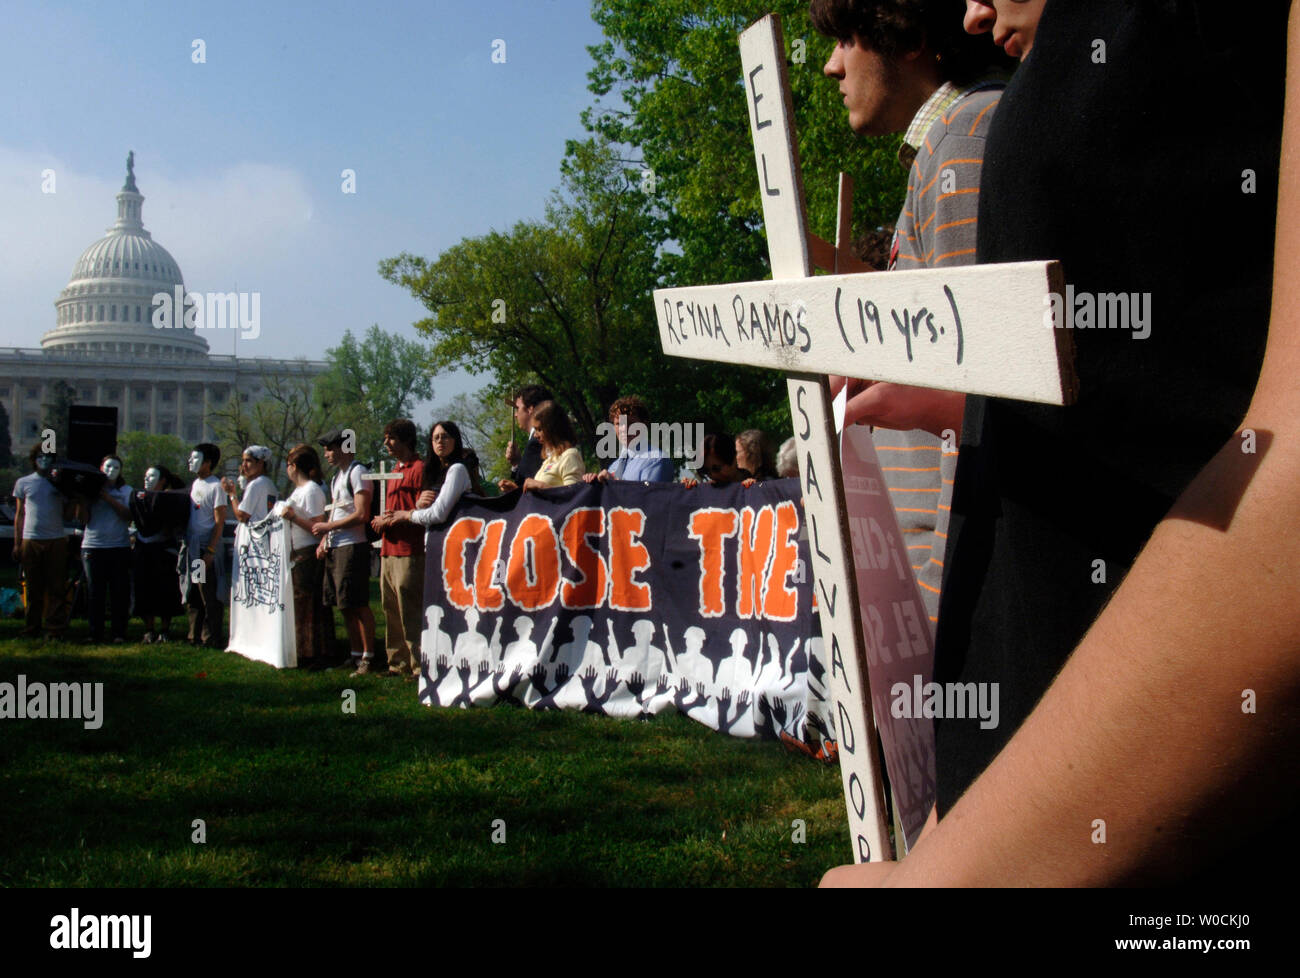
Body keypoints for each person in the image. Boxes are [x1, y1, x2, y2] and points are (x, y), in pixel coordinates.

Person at [824, 0, 1300, 886]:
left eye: (845, 36)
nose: (969, 11)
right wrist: (952, 820)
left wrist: (952, 875)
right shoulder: (1037, 91)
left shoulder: (973, 124)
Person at [815, 0, 1013, 625]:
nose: (830, 66)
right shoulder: (946, 147)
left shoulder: (963, 141)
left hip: (947, 582)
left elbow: (980, 394)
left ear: (908, 39)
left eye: (847, 39)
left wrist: (935, 599)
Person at [311, 429, 379, 676]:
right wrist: (324, 541)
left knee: (358, 603)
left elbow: (362, 513)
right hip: (336, 545)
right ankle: (354, 654)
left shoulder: (358, 472)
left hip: (353, 545)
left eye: (331, 448)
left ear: (346, 447)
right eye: (326, 449)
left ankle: (368, 657)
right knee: (344, 605)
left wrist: (328, 527)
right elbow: (336, 511)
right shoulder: (336, 477)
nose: (327, 454)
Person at [369, 420, 426, 679]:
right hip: (388, 550)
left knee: (409, 608)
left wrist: (392, 519)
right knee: (389, 607)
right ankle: (396, 662)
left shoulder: (419, 469)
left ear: (405, 439)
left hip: (409, 549)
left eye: (391, 438)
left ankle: (418, 664)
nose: (386, 443)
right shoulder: (391, 470)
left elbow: (421, 510)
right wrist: (381, 521)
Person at [11, 444, 74, 639]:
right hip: (31, 539)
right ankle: (32, 627)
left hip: (55, 539)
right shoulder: (24, 483)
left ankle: (55, 628)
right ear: (34, 460)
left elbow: (67, 514)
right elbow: (20, 514)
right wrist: (17, 542)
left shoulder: (60, 484)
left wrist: (73, 499)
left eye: (48, 457)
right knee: (33, 587)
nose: (44, 461)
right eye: (40, 457)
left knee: (56, 587)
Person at [278, 444, 330, 669]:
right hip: (295, 550)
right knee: (299, 603)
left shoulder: (312, 490)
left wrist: (293, 518)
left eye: (289, 464)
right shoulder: (298, 491)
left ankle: (316, 652)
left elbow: (318, 526)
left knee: (310, 604)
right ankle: (302, 649)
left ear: (295, 467)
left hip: (308, 551)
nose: (287, 469)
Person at [78, 455, 133, 644]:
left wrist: (108, 498)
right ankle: (95, 632)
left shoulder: (126, 491)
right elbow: (83, 520)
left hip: (118, 546)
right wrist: (85, 500)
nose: (111, 470)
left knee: (119, 592)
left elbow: (128, 515)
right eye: (108, 466)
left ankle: (119, 632)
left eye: (116, 467)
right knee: (95, 592)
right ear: (101, 468)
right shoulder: (90, 491)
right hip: (93, 546)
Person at [133, 465, 185, 644]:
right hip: (143, 548)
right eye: (146, 476)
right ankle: (148, 629)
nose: (147, 479)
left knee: (165, 590)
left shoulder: (171, 498)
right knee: (144, 589)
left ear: (162, 481)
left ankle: (164, 630)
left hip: (163, 550)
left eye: (152, 476)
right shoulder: (138, 497)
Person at [388, 420, 475, 528]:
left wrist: (408, 514)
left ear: (455, 440)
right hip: (433, 541)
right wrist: (420, 505)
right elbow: (429, 515)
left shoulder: (457, 470)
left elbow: (439, 514)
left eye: (445, 436)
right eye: (436, 438)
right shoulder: (433, 472)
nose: (440, 441)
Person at [183, 443, 227, 648]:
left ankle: (211, 637)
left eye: (196, 458)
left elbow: (219, 520)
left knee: (208, 593)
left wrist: (210, 550)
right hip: (192, 548)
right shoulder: (195, 484)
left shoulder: (215, 486)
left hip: (205, 549)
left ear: (208, 463)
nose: (190, 462)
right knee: (195, 591)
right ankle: (194, 634)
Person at [585, 395, 677, 484]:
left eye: (630, 423)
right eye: (618, 424)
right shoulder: (614, 466)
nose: (623, 429)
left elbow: (649, 498)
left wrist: (614, 484)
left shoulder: (657, 460)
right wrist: (594, 482)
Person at [499, 384, 553, 491]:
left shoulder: (536, 443)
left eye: (517, 408)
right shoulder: (544, 439)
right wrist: (516, 462)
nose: (515, 415)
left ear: (530, 409)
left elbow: (526, 483)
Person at [521, 402, 585, 490]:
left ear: (552, 429)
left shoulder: (570, 456)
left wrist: (541, 486)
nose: (535, 435)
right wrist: (516, 491)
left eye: (539, 429)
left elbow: (574, 497)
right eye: (535, 430)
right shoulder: (550, 459)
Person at [222, 445, 277, 522]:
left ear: (260, 463)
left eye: (248, 461)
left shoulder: (255, 484)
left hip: (254, 533)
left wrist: (232, 494)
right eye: (243, 461)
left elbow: (242, 516)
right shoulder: (269, 483)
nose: (243, 465)